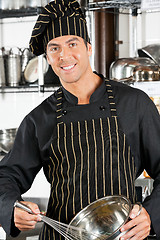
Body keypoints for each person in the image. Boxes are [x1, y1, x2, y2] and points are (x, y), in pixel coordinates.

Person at [0, 0, 159, 239]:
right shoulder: (40, 118)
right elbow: (7, 175)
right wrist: (11, 206)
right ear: (48, 57)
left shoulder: (134, 104)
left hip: (122, 235)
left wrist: (151, 214)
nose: (64, 55)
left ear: (88, 47)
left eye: (72, 43)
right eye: (54, 48)